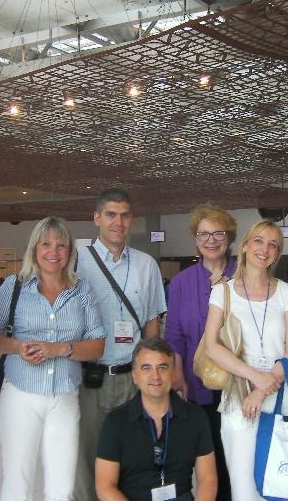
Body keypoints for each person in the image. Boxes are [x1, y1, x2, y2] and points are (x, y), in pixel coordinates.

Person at [0, 216, 105, 501]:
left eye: (61, 245)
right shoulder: (13, 286)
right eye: (46, 244)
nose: (53, 252)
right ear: (34, 249)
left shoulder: (82, 289)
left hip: (64, 398)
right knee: (18, 480)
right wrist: (19, 346)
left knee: (62, 486)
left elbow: (97, 345)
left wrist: (58, 348)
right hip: (20, 394)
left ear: (70, 251)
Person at [74, 188, 167, 501]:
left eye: (125, 215)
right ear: (97, 217)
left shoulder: (146, 266)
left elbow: (152, 325)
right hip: (90, 379)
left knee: (136, 454)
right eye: (111, 214)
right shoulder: (76, 263)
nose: (118, 221)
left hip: (132, 378)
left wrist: (153, 375)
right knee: (87, 456)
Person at [203, 219, 288, 500]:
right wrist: (254, 376)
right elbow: (211, 346)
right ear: (245, 246)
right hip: (238, 400)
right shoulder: (222, 292)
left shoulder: (286, 292)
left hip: (280, 399)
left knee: (283, 484)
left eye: (273, 244)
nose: (265, 248)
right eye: (259, 240)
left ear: (278, 254)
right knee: (245, 489)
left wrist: (262, 388)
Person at [164, 204, 237, 500]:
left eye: (218, 232)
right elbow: (175, 336)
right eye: (203, 233)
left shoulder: (244, 274)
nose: (211, 239)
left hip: (238, 383)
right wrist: (178, 375)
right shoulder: (181, 283)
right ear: (196, 239)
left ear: (229, 237)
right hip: (198, 386)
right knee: (210, 458)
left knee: (240, 457)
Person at [96, 337, 217, 501]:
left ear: (173, 373)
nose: (155, 376)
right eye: (146, 368)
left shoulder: (196, 417)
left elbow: (208, 479)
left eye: (162, 367)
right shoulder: (115, 422)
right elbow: (104, 486)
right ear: (135, 376)